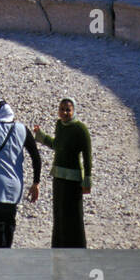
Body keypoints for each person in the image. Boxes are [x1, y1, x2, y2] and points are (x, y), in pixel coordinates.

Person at [0, 99, 42, 249]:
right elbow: (35, 156)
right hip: (14, 185)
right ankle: (7, 257)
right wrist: (36, 182)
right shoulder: (22, 129)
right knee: (9, 223)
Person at [32, 97, 92, 248]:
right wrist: (41, 136)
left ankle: (77, 247)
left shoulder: (80, 129)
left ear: (73, 111)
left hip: (73, 179)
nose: (65, 112)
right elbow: (57, 145)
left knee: (74, 215)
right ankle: (59, 245)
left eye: (68, 110)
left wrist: (87, 181)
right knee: (59, 213)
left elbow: (87, 157)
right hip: (58, 177)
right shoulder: (59, 125)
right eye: (62, 109)